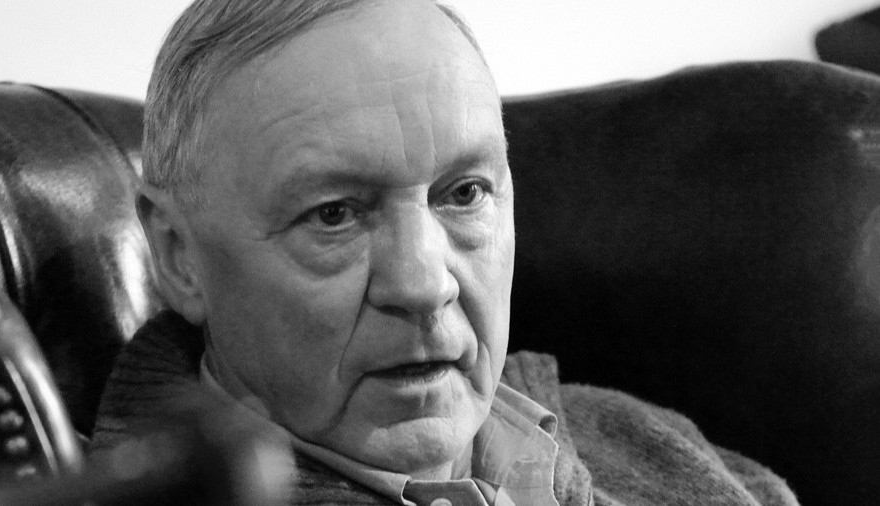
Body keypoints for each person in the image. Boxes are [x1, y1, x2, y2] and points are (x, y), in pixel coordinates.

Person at [92, 1, 799, 505]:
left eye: (464, 193)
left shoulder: (634, 433)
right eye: (335, 214)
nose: (426, 285)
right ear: (179, 256)